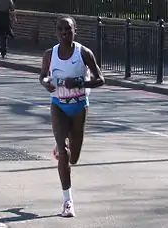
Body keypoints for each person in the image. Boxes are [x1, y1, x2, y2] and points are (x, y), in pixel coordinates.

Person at [39, 15, 105, 217]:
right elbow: (42, 76)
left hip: (79, 107)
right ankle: (68, 202)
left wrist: (79, 83)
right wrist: (46, 83)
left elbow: (100, 79)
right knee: (64, 153)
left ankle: (65, 147)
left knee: (74, 157)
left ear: (75, 31)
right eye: (60, 30)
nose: (64, 33)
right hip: (58, 105)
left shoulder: (83, 53)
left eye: (68, 30)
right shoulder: (50, 54)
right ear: (56, 32)